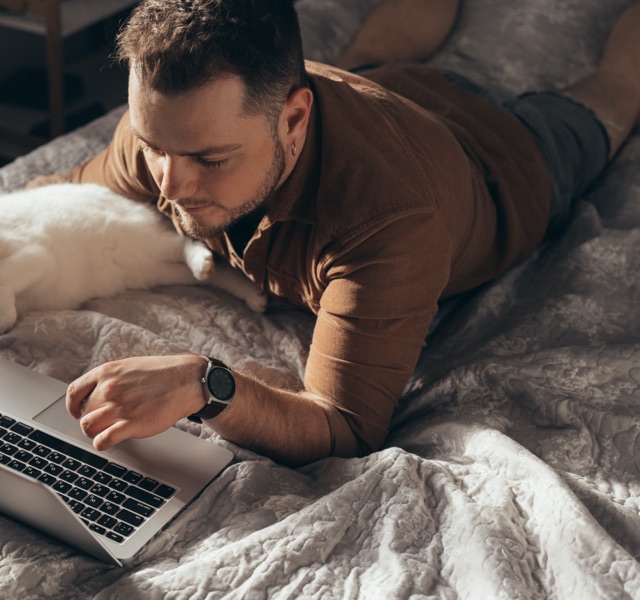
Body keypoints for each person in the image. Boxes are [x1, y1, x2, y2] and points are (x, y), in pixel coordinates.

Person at [49, 0, 640, 467]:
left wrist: (210, 385)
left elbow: (344, 425)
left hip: (504, 153)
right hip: (376, 90)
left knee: (614, 90)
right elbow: (62, 194)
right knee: (368, 61)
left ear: (294, 120)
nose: (171, 186)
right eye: (154, 150)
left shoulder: (389, 216)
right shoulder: (174, 126)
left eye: (212, 160)